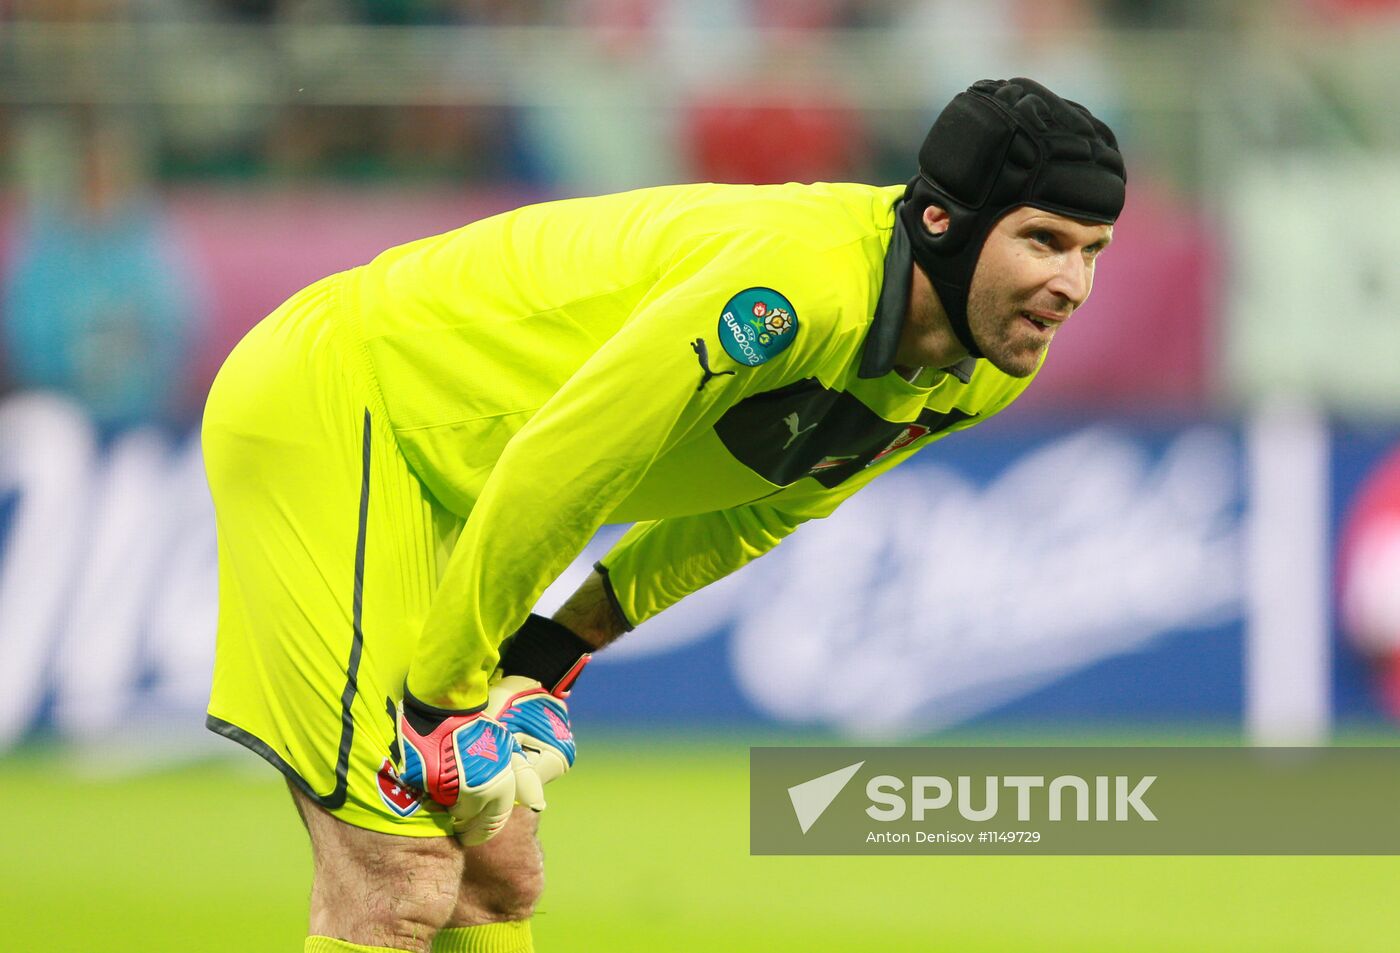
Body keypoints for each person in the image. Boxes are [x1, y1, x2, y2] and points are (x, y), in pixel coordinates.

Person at [201, 76, 1125, 953]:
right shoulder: (796, 289)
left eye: (1093, 251)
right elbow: (569, 463)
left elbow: (762, 510)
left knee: (496, 878)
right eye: (1043, 241)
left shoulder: (983, 364)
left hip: (449, 477)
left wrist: (559, 645)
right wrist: (440, 698)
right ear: (941, 222)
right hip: (338, 408)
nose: (1071, 286)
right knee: (396, 873)